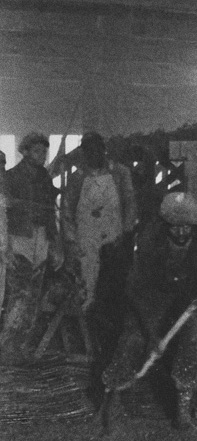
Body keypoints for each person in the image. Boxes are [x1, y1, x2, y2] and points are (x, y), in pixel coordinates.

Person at [100, 191, 197, 428]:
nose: (181, 233)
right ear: (164, 224)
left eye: (186, 227)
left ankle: (184, 408)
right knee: (133, 339)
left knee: (193, 335)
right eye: (175, 227)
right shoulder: (150, 240)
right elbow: (138, 291)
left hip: (194, 296)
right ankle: (113, 396)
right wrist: (153, 334)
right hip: (154, 296)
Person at [61, 132, 137, 309]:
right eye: (88, 150)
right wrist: (72, 241)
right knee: (88, 280)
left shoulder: (120, 172)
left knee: (113, 281)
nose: (93, 153)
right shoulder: (77, 177)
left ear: (104, 150)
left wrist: (126, 232)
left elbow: (130, 202)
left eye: (97, 149)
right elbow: (67, 211)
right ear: (84, 153)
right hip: (86, 237)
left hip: (113, 235)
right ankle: (87, 318)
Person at [2, 133, 60, 356]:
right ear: (24, 152)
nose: (42, 155)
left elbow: (51, 211)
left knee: (34, 291)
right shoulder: (11, 177)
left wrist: (54, 241)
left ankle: (23, 344)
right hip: (20, 237)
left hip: (41, 236)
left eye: (44, 151)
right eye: (37, 151)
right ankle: (8, 344)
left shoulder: (45, 177)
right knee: (20, 291)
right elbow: (4, 210)